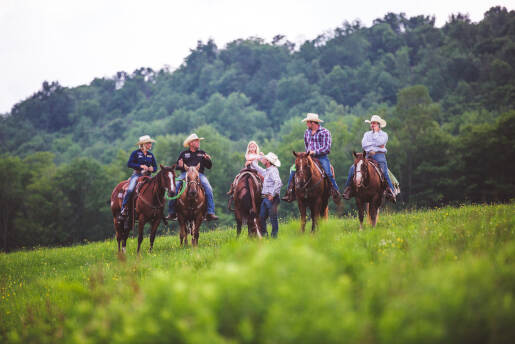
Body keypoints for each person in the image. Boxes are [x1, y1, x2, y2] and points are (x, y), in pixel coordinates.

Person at [282, 113, 340, 203]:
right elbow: (306, 145)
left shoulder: (325, 132)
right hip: (308, 157)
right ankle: (290, 192)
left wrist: (315, 152)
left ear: (313, 123)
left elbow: (327, 148)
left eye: (307, 122)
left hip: (321, 157)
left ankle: (335, 191)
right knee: (293, 169)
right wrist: (306, 154)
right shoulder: (307, 132)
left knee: (328, 172)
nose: (306, 124)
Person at [342, 115, 397, 202]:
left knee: (384, 172)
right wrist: (374, 147)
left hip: (380, 156)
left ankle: (391, 191)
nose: (372, 125)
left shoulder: (384, 135)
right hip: (367, 155)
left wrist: (374, 139)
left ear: (379, 125)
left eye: (374, 123)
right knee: (353, 168)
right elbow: (364, 145)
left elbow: (381, 142)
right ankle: (348, 189)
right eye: (371, 123)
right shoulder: (366, 134)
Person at [166, 133, 219, 221]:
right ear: (191, 143)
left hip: (199, 174)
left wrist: (208, 160)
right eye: (196, 141)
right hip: (185, 174)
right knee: (175, 188)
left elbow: (209, 166)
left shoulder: (202, 153)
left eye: (198, 141)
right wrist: (181, 165)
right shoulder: (184, 153)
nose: (198, 142)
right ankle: (172, 212)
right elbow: (178, 166)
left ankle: (210, 212)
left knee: (208, 188)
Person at [119, 135, 158, 218]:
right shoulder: (135, 153)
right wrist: (140, 166)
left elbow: (155, 167)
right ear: (143, 144)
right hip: (137, 175)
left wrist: (152, 169)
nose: (150, 145)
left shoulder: (151, 155)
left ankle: (157, 210)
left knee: (157, 189)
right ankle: (123, 209)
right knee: (130, 190)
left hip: (148, 176)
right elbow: (129, 164)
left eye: (150, 143)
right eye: (148, 143)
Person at [247, 152, 282, 238]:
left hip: (271, 198)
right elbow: (257, 168)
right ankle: (265, 234)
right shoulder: (267, 170)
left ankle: (274, 236)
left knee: (273, 218)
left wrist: (273, 195)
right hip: (266, 198)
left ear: (268, 161)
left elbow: (278, 182)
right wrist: (257, 158)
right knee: (261, 217)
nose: (263, 160)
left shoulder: (273, 170)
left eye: (265, 159)